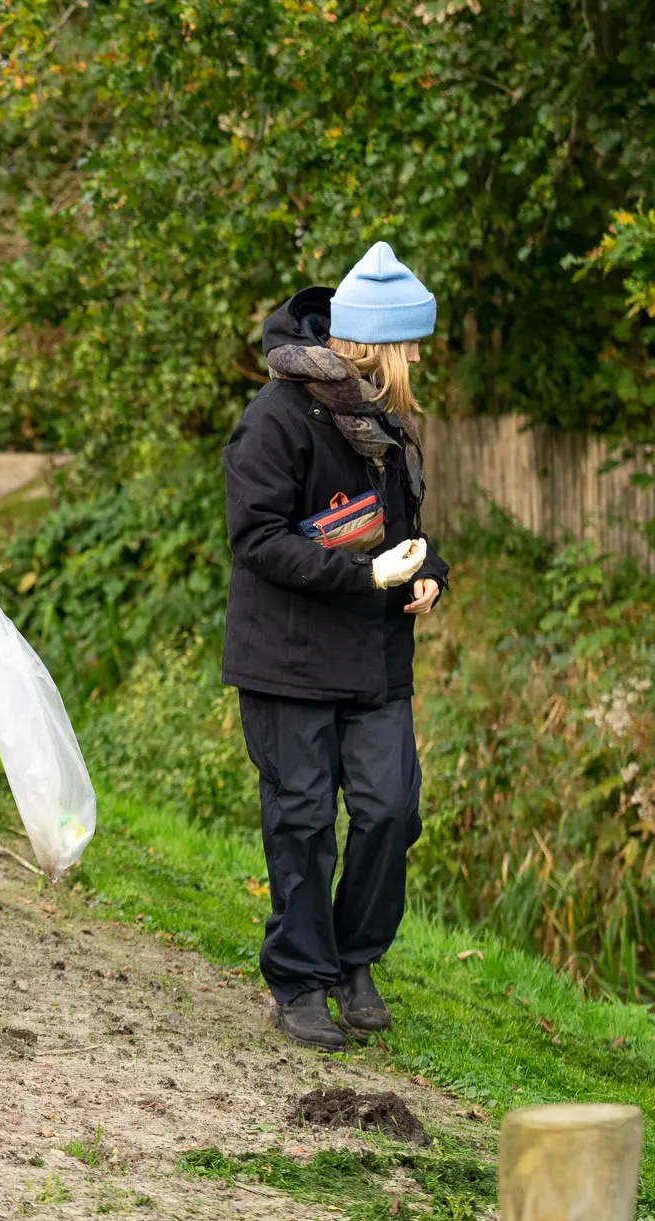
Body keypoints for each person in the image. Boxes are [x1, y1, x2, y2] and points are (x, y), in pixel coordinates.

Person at [221, 240, 450, 1052]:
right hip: (286, 660)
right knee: (304, 817)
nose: (419, 356)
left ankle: (356, 961)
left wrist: (429, 573)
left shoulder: (384, 419)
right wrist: (366, 576)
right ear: (372, 344)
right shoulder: (275, 418)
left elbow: (405, 534)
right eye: (411, 343)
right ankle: (300, 979)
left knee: (392, 811)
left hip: (375, 659)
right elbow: (255, 540)